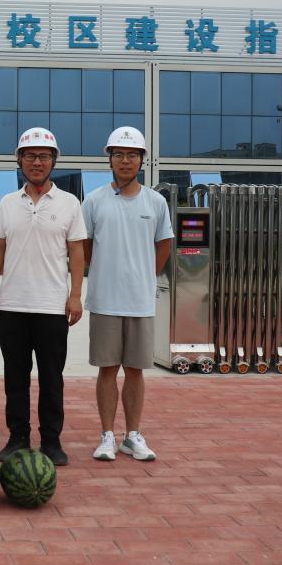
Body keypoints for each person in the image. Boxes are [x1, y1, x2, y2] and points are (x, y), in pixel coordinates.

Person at [0, 128, 86, 466]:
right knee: (15, 378)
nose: (37, 162)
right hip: (12, 305)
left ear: (54, 161)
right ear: (20, 161)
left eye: (43, 156)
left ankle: (52, 441)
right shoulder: (8, 203)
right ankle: (17, 437)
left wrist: (75, 295)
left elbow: (77, 252)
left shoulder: (70, 203)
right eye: (30, 156)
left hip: (52, 306)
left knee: (51, 378)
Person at [83, 127, 173, 462]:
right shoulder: (94, 201)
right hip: (104, 299)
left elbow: (164, 245)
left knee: (135, 370)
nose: (125, 160)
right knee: (107, 369)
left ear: (141, 160)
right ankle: (107, 435)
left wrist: (145, 276)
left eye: (132, 154)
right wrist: (104, 271)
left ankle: (132, 435)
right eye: (119, 154)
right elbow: (85, 247)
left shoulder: (155, 202)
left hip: (140, 302)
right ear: (109, 159)